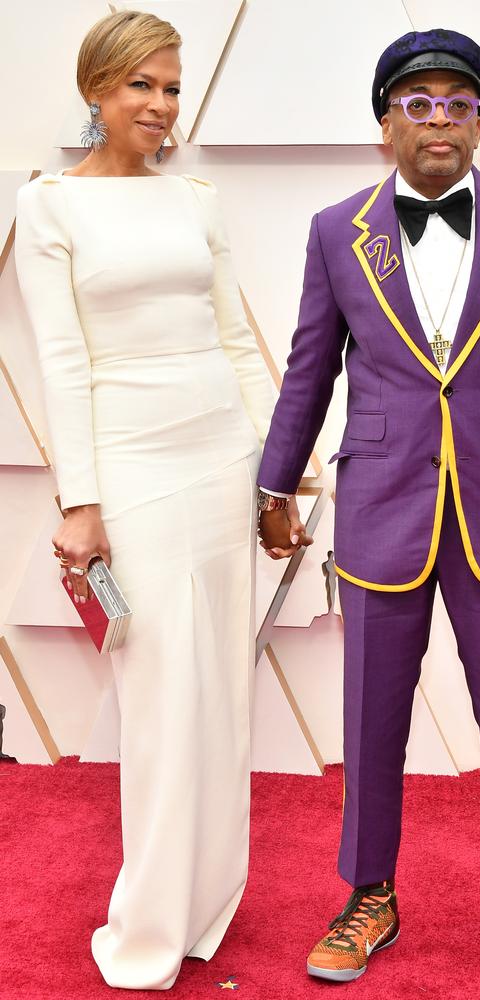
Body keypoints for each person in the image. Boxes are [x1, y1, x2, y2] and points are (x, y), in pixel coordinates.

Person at [256, 28, 480, 997]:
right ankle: (369, 891)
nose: (438, 118)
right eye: (418, 103)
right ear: (384, 124)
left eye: (456, 102)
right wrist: (271, 483)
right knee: (369, 719)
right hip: (378, 502)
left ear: (479, 119)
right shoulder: (337, 230)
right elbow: (308, 368)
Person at [13, 10, 301, 990]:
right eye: (141, 85)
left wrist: (278, 470)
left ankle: (203, 903)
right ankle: (146, 923)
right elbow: (62, 362)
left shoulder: (195, 201)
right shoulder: (50, 207)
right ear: (96, 90)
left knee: (220, 687)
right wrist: (80, 499)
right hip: (134, 467)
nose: (160, 105)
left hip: (222, 453)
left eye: (173, 87)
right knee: (161, 697)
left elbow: (232, 341)